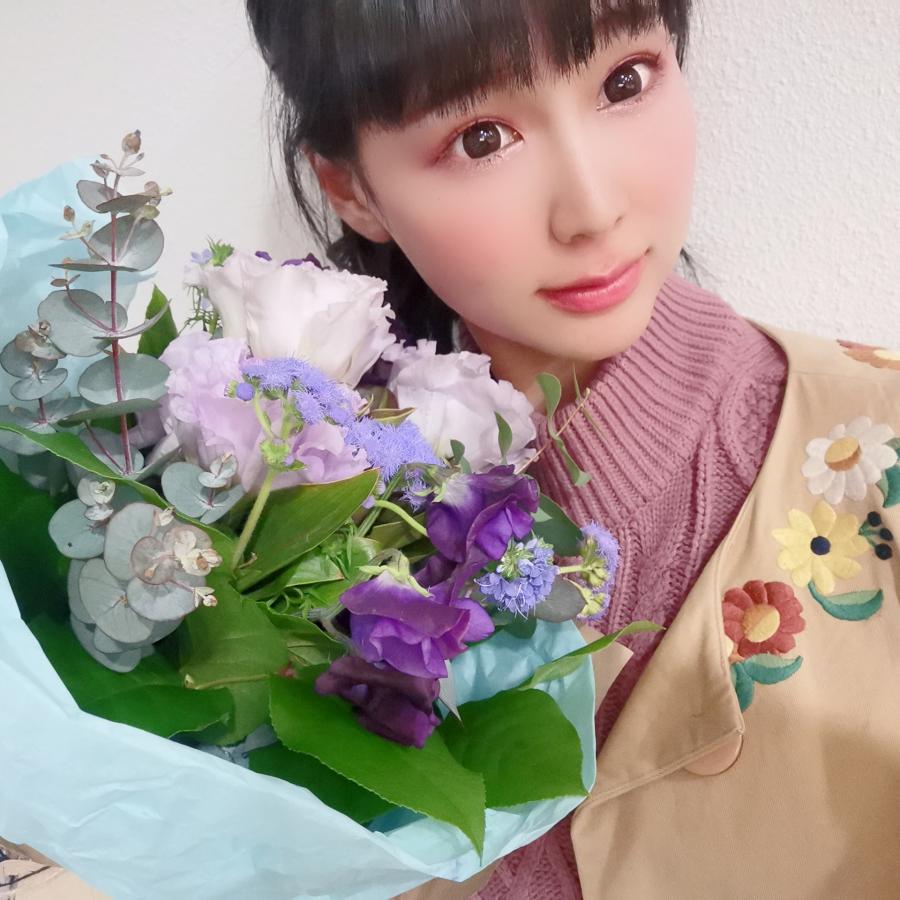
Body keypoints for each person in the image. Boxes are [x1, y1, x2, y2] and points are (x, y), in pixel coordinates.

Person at [245, 2, 900, 898]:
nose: (593, 209)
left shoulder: (877, 448)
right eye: (481, 139)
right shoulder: (284, 530)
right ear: (352, 189)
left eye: (625, 82)